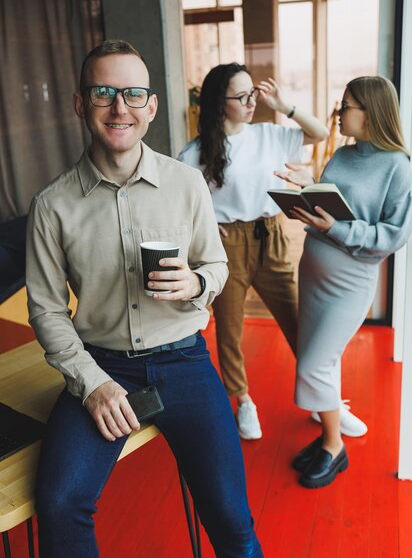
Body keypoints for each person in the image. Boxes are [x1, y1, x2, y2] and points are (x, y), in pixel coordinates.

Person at [26, 40, 264, 558]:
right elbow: (45, 309)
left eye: (133, 94)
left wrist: (196, 284)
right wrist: (91, 385)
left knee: (231, 517)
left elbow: (216, 264)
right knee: (60, 503)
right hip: (102, 368)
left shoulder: (187, 183)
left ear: (151, 107)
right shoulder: (52, 205)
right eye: (103, 93)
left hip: (184, 360)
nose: (120, 108)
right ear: (79, 103)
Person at [277, 76, 412, 488]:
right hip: (315, 271)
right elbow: (330, 206)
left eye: (346, 105)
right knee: (322, 358)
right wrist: (305, 196)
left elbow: (392, 236)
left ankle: (334, 447)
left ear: (370, 113)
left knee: (314, 363)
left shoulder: (397, 167)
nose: (337, 113)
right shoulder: (341, 153)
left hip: (350, 281)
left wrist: (336, 227)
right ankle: (326, 436)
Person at [178, 62, 329, 440]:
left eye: (254, 94)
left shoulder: (269, 134)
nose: (251, 102)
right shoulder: (194, 154)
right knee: (229, 331)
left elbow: (321, 132)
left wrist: (283, 104)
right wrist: (204, 225)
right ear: (219, 102)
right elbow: (180, 206)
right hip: (226, 247)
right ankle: (243, 400)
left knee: (299, 322)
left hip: (271, 236)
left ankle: (321, 398)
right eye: (242, 96)